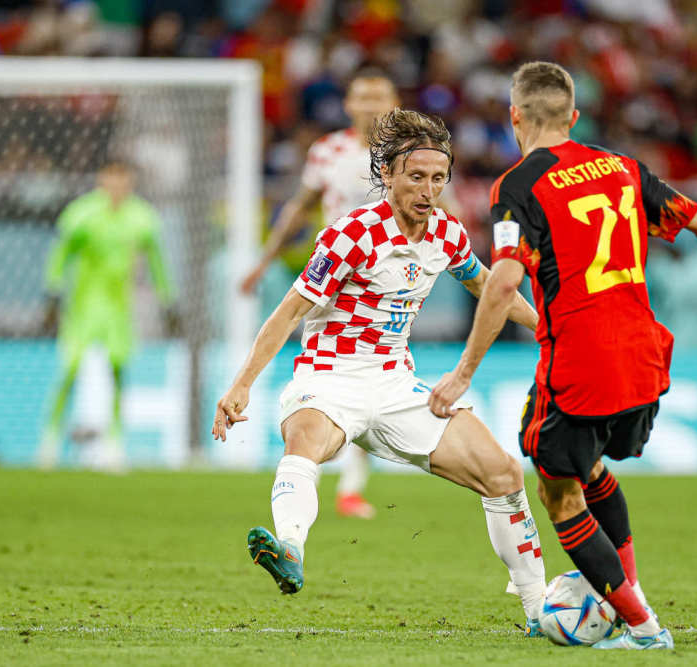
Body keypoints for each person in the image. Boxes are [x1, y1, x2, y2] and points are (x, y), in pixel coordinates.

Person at [428, 61, 697, 650]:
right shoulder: (624, 168)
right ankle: (631, 593)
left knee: (557, 490)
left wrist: (462, 372)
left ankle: (644, 629)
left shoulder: (517, 187)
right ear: (574, 117)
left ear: (514, 116)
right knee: (589, 467)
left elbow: (504, 282)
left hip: (580, 361)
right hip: (645, 357)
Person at [213, 109, 548, 631]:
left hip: (395, 384)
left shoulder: (447, 234)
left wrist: (548, 329)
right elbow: (290, 312)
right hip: (329, 376)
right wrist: (241, 384)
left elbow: (490, 287)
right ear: (387, 175)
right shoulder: (351, 234)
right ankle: (290, 550)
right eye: (416, 177)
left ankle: (539, 610)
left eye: (438, 178)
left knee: (503, 473)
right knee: (305, 443)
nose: (428, 190)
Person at [238, 67, 400, 519]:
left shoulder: (408, 153)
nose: (370, 106)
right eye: (362, 97)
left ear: (394, 104)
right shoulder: (327, 151)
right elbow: (300, 207)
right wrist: (264, 261)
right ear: (348, 104)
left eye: (379, 97)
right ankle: (305, 462)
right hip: (332, 276)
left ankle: (350, 487)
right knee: (320, 370)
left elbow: (440, 208)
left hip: (386, 281)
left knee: (374, 375)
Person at [40, 159, 174, 470]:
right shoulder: (82, 214)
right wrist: (52, 290)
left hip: (118, 308)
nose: (117, 186)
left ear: (130, 182)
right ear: (101, 181)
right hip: (83, 307)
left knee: (118, 371)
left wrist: (167, 299)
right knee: (69, 370)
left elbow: (157, 261)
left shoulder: (142, 218)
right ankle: (50, 440)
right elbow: (61, 253)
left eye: (123, 180)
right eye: (112, 179)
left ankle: (115, 443)